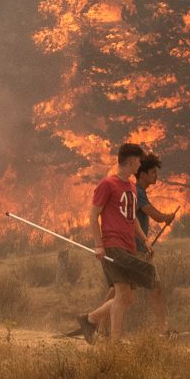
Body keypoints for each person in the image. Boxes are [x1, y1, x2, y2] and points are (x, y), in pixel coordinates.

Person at [71, 142, 152, 341]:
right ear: (132, 161)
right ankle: (114, 342)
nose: (139, 165)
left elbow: (132, 218)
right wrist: (99, 245)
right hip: (113, 245)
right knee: (123, 294)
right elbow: (93, 215)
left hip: (129, 246)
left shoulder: (132, 187)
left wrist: (144, 240)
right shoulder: (107, 184)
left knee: (126, 297)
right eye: (139, 161)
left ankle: (89, 320)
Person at [133, 149, 177, 332]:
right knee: (152, 288)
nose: (156, 176)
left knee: (124, 289)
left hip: (139, 248)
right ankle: (163, 329)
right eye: (152, 172)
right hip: (136, 250)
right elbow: (154, 215)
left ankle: (96, 323)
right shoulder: (138, 192)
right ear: (142, 175)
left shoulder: (139, 191)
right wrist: (167, 217)